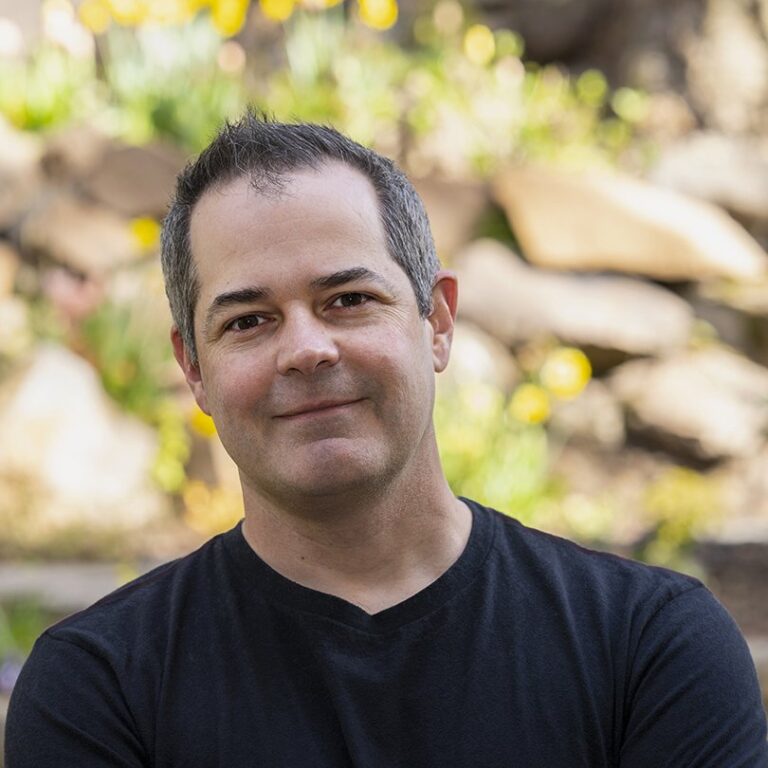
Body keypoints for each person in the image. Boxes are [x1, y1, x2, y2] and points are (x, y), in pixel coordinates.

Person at [5, 113, 768, 767]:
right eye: (248, 320)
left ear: (436, 321)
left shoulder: (648, 649)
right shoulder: (101, 688)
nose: (306, 349)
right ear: (194, 368)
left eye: (347, 299)